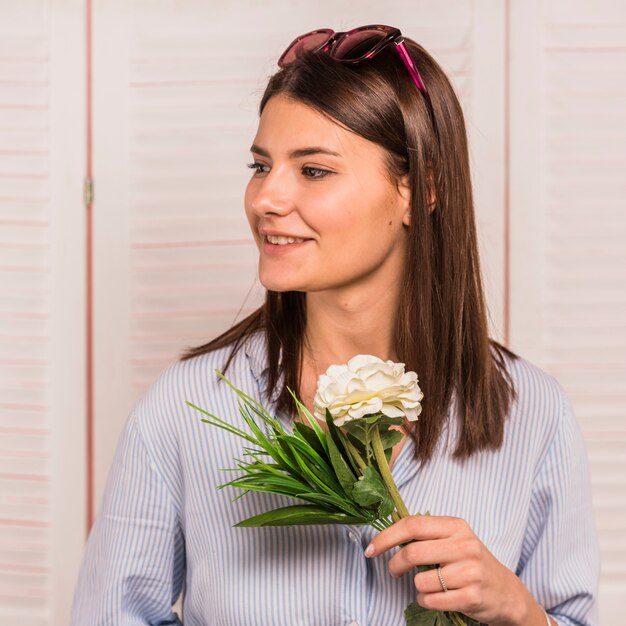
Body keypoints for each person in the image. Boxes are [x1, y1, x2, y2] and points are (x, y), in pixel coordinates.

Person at [71, 25, 599, 626]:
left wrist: (523, 615)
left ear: (417, 189)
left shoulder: (532, 414)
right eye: (260, 164)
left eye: (313, 170)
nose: (266, 198)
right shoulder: (186, 409)